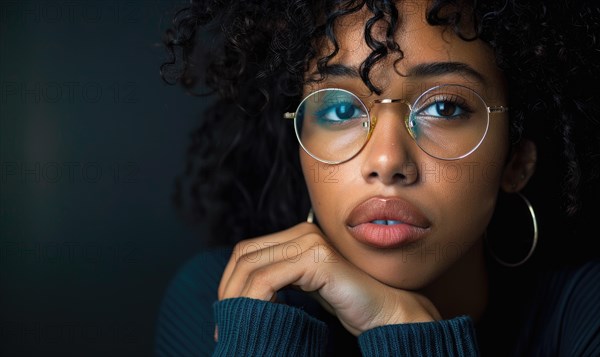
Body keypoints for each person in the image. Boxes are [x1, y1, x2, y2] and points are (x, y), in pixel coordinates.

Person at [155, 1, 600, 356]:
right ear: (301, 145)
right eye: (342, 110)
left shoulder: (585, 313)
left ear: (516, 161)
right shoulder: (228, 304)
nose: (386, 161)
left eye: (444, 107)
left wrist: (404, 332)